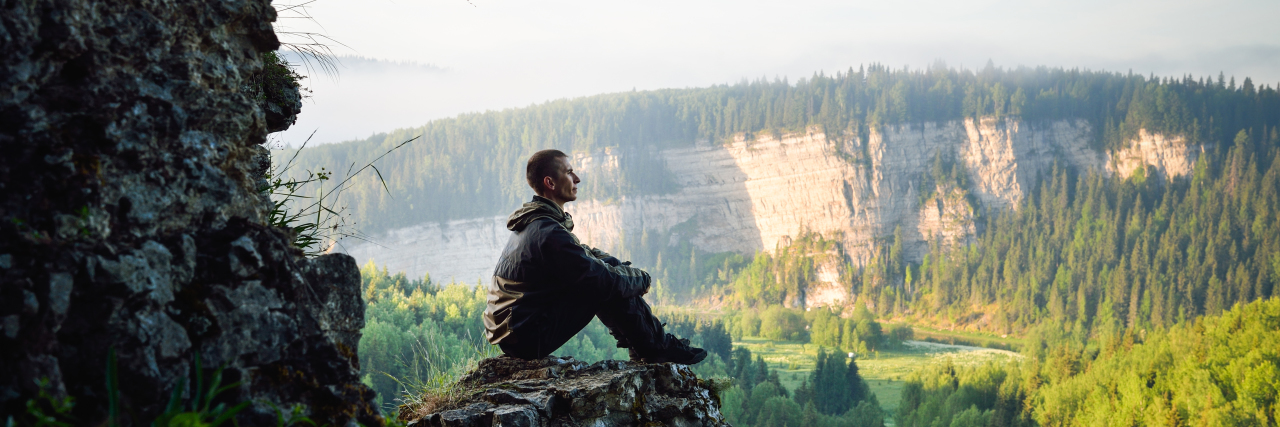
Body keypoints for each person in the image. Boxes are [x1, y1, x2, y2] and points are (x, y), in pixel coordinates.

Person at [483, 149, 707, 364]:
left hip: (515, 330)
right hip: (525, 337)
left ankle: (647, 345)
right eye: (569, 172)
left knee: (605, 271)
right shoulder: (546, 232)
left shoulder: (535, 223)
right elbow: (600, 279)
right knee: (601, 283)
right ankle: (654, 348)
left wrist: (620, 268)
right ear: (550, 183)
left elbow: (583, 254)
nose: (577, 178)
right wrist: (642, 279)